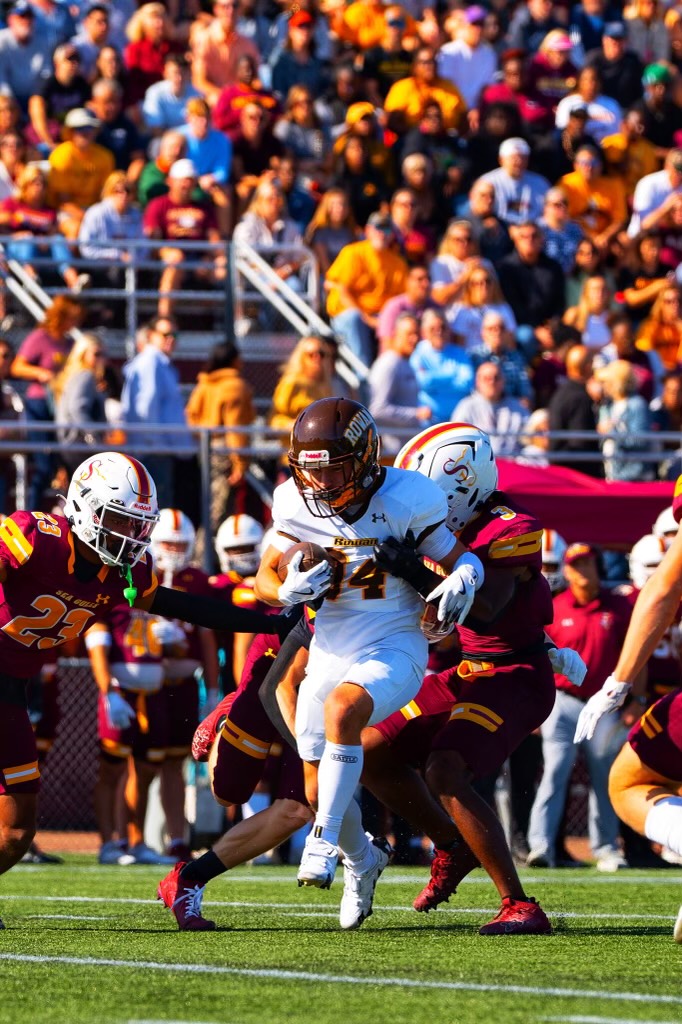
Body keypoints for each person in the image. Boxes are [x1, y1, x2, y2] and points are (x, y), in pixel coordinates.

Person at [0, 449, 290, 928]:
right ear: (85, 508)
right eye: (119, 520)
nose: (129, 536)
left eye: (138, 525)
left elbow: (184, 606)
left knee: (15, 830)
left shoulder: (125, 571)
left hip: (12, 688)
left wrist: (270, 624)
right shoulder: (37, 537)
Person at [253, 397, 484, 927]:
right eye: (311, 470)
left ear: (363, 457)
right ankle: (364, 859)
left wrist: (466, 578)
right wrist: (288, 585)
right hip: (331, 646)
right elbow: (265, 578)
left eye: (333, 466)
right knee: (316, 784)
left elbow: (460, 558)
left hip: (395, 642)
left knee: (343, 710)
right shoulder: (294, 501)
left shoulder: (408, 496)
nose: (321, 481)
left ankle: (323, 842)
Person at [526, 541, 636, 870]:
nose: (582, 570)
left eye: (588, 563)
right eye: (576, 565)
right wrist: (534, 704)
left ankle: (605, 848)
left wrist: (637, 699)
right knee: (554, 773)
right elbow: (536, 658)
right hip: (563, 701)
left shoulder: (617, 608)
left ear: (597, 567)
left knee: (605, 777)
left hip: (604, 704)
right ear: (568, 571)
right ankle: (541, 847)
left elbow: (635, 657)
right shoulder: (554, 607)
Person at [149, 509, 220, 862]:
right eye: (167, 542)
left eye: (180, 543)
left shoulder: (196, 579)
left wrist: (213, 690)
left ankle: (176, 836)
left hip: (183, 685)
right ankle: (128, 838)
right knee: (140, 763)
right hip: (146, 685)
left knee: (177, 762)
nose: (174, 550)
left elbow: (206, 638)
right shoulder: (141, 573)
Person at [10, 296, 83, 508]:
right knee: (43, 464)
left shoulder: (70, 343)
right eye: (72, 318)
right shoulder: (40, 337)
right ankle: (30, 513)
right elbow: (17, 366)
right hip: (40, 406)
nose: (75, 323)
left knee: (63, 464)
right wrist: (41, 373)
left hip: (62, 409)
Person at [185, 340, 255, 541]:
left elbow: (191, 414)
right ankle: (202, 560)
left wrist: (205, 435)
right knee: (219, 510)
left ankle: (205, 558)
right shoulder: (235, 386)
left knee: (211, 507)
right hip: (227, 451)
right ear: (234, 360)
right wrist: (240, 464)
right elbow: (236, 429)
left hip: (207, 449)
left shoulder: (205, 383)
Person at [120, 316, 191, 508]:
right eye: (166, 334)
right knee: (156, 508)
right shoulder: (151, 362)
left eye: (175, 334)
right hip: (153, 451)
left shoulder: (159, 363)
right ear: (151, 335)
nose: (171, 339)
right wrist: (153, 444)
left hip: (157, 449)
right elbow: (146, 407)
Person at [143, 158, 225, 320]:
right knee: (176, 260)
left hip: (199, 259)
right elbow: (152, 241)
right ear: (171, 182)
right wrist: (165, 251)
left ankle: (235, 320)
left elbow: (214, 240)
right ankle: (164, 318)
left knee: (224, 269)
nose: (187, 186)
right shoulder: (158, 205)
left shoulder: (204, 208)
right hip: (168, 260)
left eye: (191, 181)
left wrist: (216, 257)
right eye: (183, 181)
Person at [325, 213, 408, 367]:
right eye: (378, 228)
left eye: (387, 230)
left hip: (381, 317)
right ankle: (363, 376)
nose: (382, 234)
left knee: (404, 322)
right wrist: (368, 319)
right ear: (368, 230)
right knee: (354, 318)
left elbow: (400, 299)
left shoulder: (397, 262)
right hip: (350, 315)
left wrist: (384, 319)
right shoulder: (353, 252)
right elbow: (341, 289)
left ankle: (391, 370)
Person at [0, 165, 86, 293]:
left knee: (57, 240)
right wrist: (15, 235)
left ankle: (74, 281)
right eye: (34, 182)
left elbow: (54, 231)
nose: (39, 187)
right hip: (16, 251)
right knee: (27, 239)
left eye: (43, 183)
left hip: (43, 252)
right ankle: (30, 277)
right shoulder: (12, 204)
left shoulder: (49, 211)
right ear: (25, 185)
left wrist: (44, 240)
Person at [47, 106, 115, 239]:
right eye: (80, 129)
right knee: (75, 229)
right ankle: (71, 260)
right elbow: (63, 202)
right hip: (67, 211)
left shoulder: (105, 157)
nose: (85, 133)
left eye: (89, 128)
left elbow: (107, 193)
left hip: (96, 210)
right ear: (70, 132)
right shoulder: (61, 155)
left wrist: (98, 216)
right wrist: (88, 218)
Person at [368, 313, 432, 455]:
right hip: (393, 452)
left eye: (417, 334)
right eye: (409, 334)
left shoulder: (405, 362)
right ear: (395, 334)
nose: (414, 339)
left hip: (406, 448)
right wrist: (416, 414)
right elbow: (377, 410)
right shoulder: (389, 364)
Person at [53, 333, 109, 471]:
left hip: (71, 444)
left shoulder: (75, 375)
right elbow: (77, 408)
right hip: (79, 444)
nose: (101, 358)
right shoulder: (86, 375)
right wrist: (94, 435)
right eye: (96, 353)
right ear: (82, 354)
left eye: (103, 354)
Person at [190, 0, 260, 108]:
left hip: (241, 99)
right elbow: (199, 81)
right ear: (216, 9)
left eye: (234, 6)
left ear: (240, 9)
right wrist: (225, 96)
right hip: (215, 98)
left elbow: (256, 79)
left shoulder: (247, 44)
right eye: (224, 6)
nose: (230, 11)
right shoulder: (204, 40)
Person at [384, 46, 467, 134]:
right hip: (412, 137)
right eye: (425, 63)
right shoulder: (403, 87)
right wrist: (421, 129)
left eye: (433, 62)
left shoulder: (448, 87)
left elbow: (463, 116)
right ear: (415, 66)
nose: (430, 66)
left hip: (445, 137)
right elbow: (391, 120)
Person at [410, 309, 474, 423]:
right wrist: (452, 376)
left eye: (443, 327)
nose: (438, 332)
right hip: (429, 421)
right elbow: (424, 382)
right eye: (432, 329)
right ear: (423, 331)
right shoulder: (418, 354)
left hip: (458, 419)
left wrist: (434, 379)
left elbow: (467, 383)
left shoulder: (459, 353)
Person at [452, 361, 528, 457]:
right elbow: (456, 441)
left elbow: (530, 438)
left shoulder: (517, 407)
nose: (492, 382)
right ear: (477, 382)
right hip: (478, 466)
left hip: (513, 465)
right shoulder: (466, 407)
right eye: (487, 378)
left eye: (496, 378)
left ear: (503, 381)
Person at [548, 343, 603, 476]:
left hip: (561, 469)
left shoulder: (561, 393)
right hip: (577, 476)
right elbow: (581, 442)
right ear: (588, 367)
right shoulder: (580, 398)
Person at [27, 43, 91, 154]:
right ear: (57, 63)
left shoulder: (82, 84)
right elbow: (37, 112)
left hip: (71, 134)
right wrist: (49, 143)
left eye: (77, 59)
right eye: (69, 59)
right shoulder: (46, 83)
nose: (74, 63)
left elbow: (90, 111)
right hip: (47, 133)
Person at [595, 359, 653, 480]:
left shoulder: (637, 405)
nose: (604, 385)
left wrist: (611, 432)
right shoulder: (609, 405)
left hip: (633, 476)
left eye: (607, 381)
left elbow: (640, 440)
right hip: (614, 474)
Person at [436, 5, 498, 116]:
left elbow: (488, 87)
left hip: (479, 113)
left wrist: (477, 110)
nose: (478, 29)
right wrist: (463, 110)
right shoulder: (449, 52)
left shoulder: (489, 54)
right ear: (464, 26)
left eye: (481, 25)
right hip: (453, 111)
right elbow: (445, 86)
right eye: (474, 24)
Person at [269, 335, 335, 437]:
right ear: (301, 357)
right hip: (295, 447)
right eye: (311, 354)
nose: (317, 358)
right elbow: (274, 419)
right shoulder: (292, 382)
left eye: (321, 354)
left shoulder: (325, 384)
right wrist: (299, 425)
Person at [477, 136, 550, 226]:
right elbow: (479, 211)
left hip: (533, 231)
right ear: (501, 160)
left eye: (523, 158)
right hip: (502, 230)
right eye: (513, 158)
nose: (519, 162)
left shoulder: (540, 183)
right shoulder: (488, 182)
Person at [470, 311, 533, 403]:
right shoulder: (474, 357)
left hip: (512, 408)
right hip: (482, 406)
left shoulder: (516, 357)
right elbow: (471, 390)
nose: (497, 332)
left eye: (501, 328)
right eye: (491, 329)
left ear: (507, 333)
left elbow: (525, 390)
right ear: (483, 333)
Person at [0, 0, 50, 112]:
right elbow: (1, 80)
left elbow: (45, 75)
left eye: (29, 17)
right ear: (10, 19)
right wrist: (10, 100)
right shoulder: (1, 41)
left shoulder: (42, 42)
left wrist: (36, 97)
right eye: (21, 16)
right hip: (8, 100)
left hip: (34, 99)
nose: (26, 21)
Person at [585, 21, 644, 111]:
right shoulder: (593, 59)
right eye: (613, 38)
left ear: (626, 41)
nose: (616, 43)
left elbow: (639, 93)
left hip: (625, 110)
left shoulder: (633, 61)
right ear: (604, 40)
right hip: (597, 107)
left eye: (620, 39)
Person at [555, 65, 622, 144]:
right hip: (578, 148)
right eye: (586, 80)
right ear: (579, 81)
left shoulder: (611, 105)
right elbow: (562, 132)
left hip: (607, 149)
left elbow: (618, 133)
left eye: (594, 79)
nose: (591, 84)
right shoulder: (567, 104)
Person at [376, 265, 437, 350]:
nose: (425, 284)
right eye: (420, 279)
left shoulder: (434, 307)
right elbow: (387, 344)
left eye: (428, 279)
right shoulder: (394, 307)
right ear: (408, 282)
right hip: (398, 358)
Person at [303, 188, 357, 278]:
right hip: (325, 278)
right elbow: (325, 267)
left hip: (347, 276)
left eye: (343, 204)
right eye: (335, 205)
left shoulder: (350, 231)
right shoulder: (319, 231)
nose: (340, 209)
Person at [563, 274, 613, 350]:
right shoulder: (574, 315)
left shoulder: (614, 317)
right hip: (583, 360)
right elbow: (564, 345)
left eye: (603, 290)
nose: (600, 294)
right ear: (586, 292)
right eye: (595, 290)